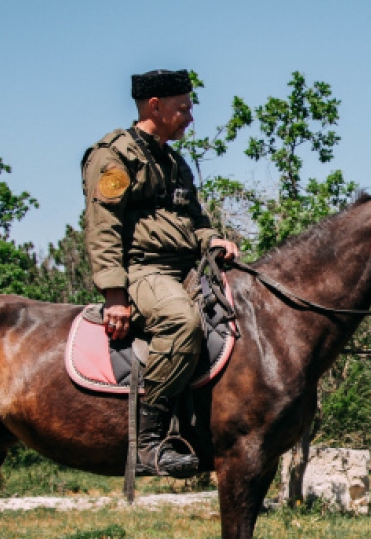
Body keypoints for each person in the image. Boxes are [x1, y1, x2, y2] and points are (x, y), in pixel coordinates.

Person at [82, 69, 240, 476]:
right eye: (183, 108)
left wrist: (213, 241)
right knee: (181, 321)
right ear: (155, 106)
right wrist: (115, 294)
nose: (190, 117)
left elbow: (195, 219)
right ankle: (148, 443)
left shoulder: (173, 161)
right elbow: (103, 228)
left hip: (186, 267)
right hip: (141, 271)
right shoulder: (114, 156)